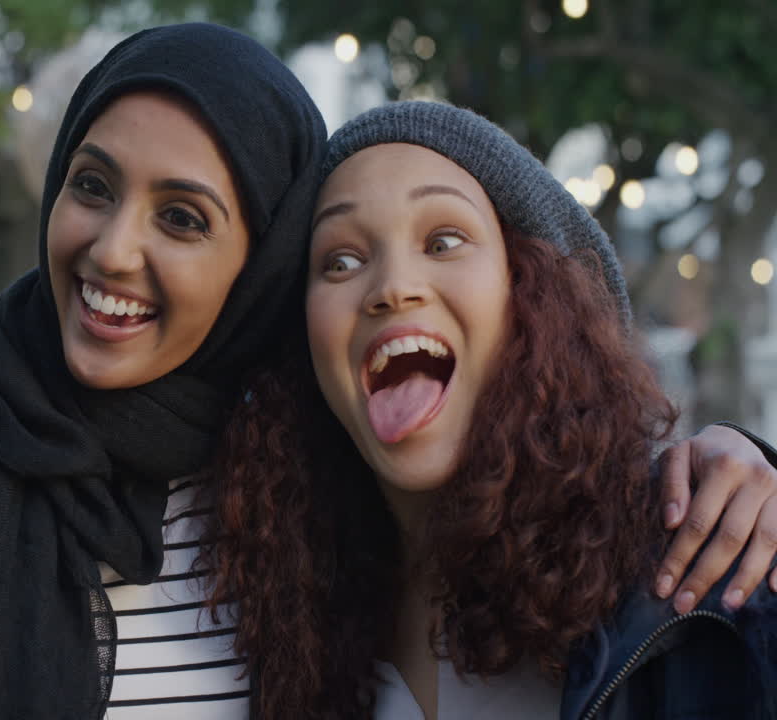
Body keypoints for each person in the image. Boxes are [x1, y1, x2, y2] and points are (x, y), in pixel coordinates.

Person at [0, 28, 777, 719]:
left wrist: (726, 465)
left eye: (183, 217)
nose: (111, 247)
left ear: (257, 274)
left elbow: (545, 502)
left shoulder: (301, 479)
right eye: (91, 187)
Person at [207, 101, 777, 720]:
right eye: (340, 261)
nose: (393, 287)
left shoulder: (706, 579)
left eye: (443, 240)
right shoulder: (278, 611)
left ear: (532, 298)